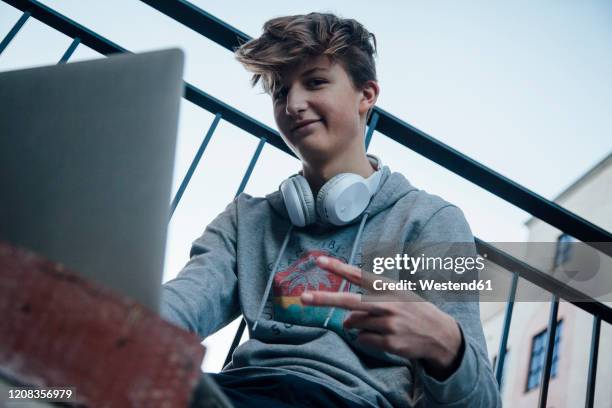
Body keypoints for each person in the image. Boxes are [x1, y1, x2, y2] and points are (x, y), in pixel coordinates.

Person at [161, 12, 501, 408]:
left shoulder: (431, 219)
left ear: (367, 95)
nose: (293, 104)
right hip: (235, 393)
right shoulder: (245, 220)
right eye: (280, 92)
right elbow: (181, 304)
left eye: (315, 81)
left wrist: (446, 344)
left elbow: (482, 402)